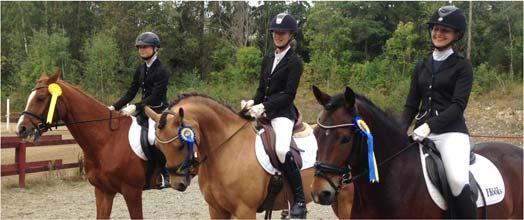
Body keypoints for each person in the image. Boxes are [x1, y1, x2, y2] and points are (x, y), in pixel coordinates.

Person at [400, 5, 476, 219]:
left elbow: (458, 106)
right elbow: (410, 105)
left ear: (456, 35)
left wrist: (429, 126)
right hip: (420, 134)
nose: (438, 33)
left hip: (451, 133)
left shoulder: (463, 67)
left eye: (445, 30)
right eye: (436, 28)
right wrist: (398, 130)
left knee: (457, 180)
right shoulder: (421, 65)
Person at [241, 13, 307, 218]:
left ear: (290, 35)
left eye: (282, 33)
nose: (278, 36)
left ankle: (300, 200)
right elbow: (262, 89)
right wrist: (252, 101)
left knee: (280, 149)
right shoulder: (268, 58)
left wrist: (264, 106)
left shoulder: (295, 62)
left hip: (282, 114)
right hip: (264, 110)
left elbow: (288, 95)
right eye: (275, 33)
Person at [109, 32, 170, 189]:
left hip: (158, 111)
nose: (141, 50)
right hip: (143, 110)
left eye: (145, 47)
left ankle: (164, 174)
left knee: (151, 138)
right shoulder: (141, 69)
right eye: (139, 47)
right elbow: (131, 91)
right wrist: (114, 107)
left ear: (155, 48)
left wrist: (136, 106)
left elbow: (156, 96)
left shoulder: (162, 70)